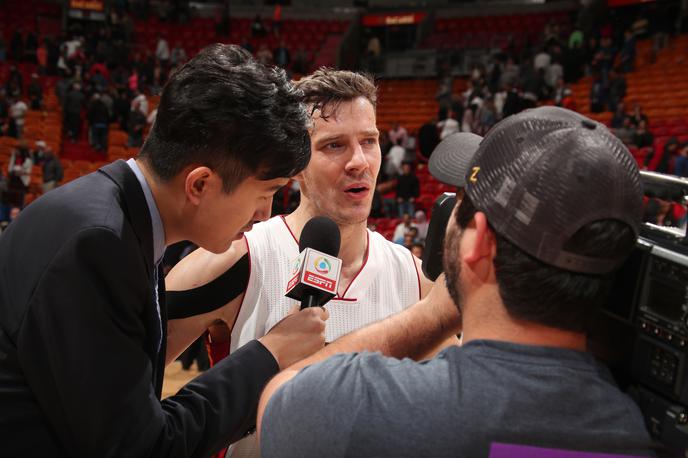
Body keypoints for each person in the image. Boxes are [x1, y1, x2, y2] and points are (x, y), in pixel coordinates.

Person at [257, 106, 655, 457]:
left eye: (460, 201)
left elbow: (280, 400)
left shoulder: (367, 406)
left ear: (479, 243)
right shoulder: (643, 428)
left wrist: (435, 314)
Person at [0, 44, 329, 457]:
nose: (265, 213)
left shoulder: (114, 218)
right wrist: (269, 354)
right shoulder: (97, 245)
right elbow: (141, 448)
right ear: (200, 185)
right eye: (266, 193)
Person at [165, 69, 440, 457]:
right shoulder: (238, 259)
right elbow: (124, 384)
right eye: (334, 146)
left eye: (369, 141)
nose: (359, 161)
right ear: (294, 162)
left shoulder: (415, 279)